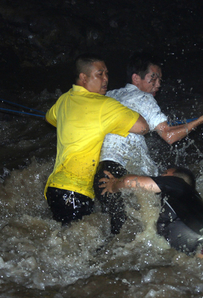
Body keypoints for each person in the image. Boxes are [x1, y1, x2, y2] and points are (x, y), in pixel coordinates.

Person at [93, 52, 203, 234]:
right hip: (117, 173)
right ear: (136, 79)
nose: (158, 84)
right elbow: (169, 136)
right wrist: (201, 120)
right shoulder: (145, 98)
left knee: (119, 231)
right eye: (153, 79)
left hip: (100, 170)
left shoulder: (110, 95)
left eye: (160, 80)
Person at [44, 54, 149, 225]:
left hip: (54, 188)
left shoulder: (64, 99)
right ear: (83, 77)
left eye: (107, 73)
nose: (106, 79)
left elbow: (50, 118)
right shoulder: (104, 105)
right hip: (75, 192)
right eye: (99, 74)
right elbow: (142, 127)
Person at [98, 167, 203, 257]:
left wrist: (113, 185)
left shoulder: (179, 184)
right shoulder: (183, 203)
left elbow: (130, 182)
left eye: (163, 173)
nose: (159, 177)